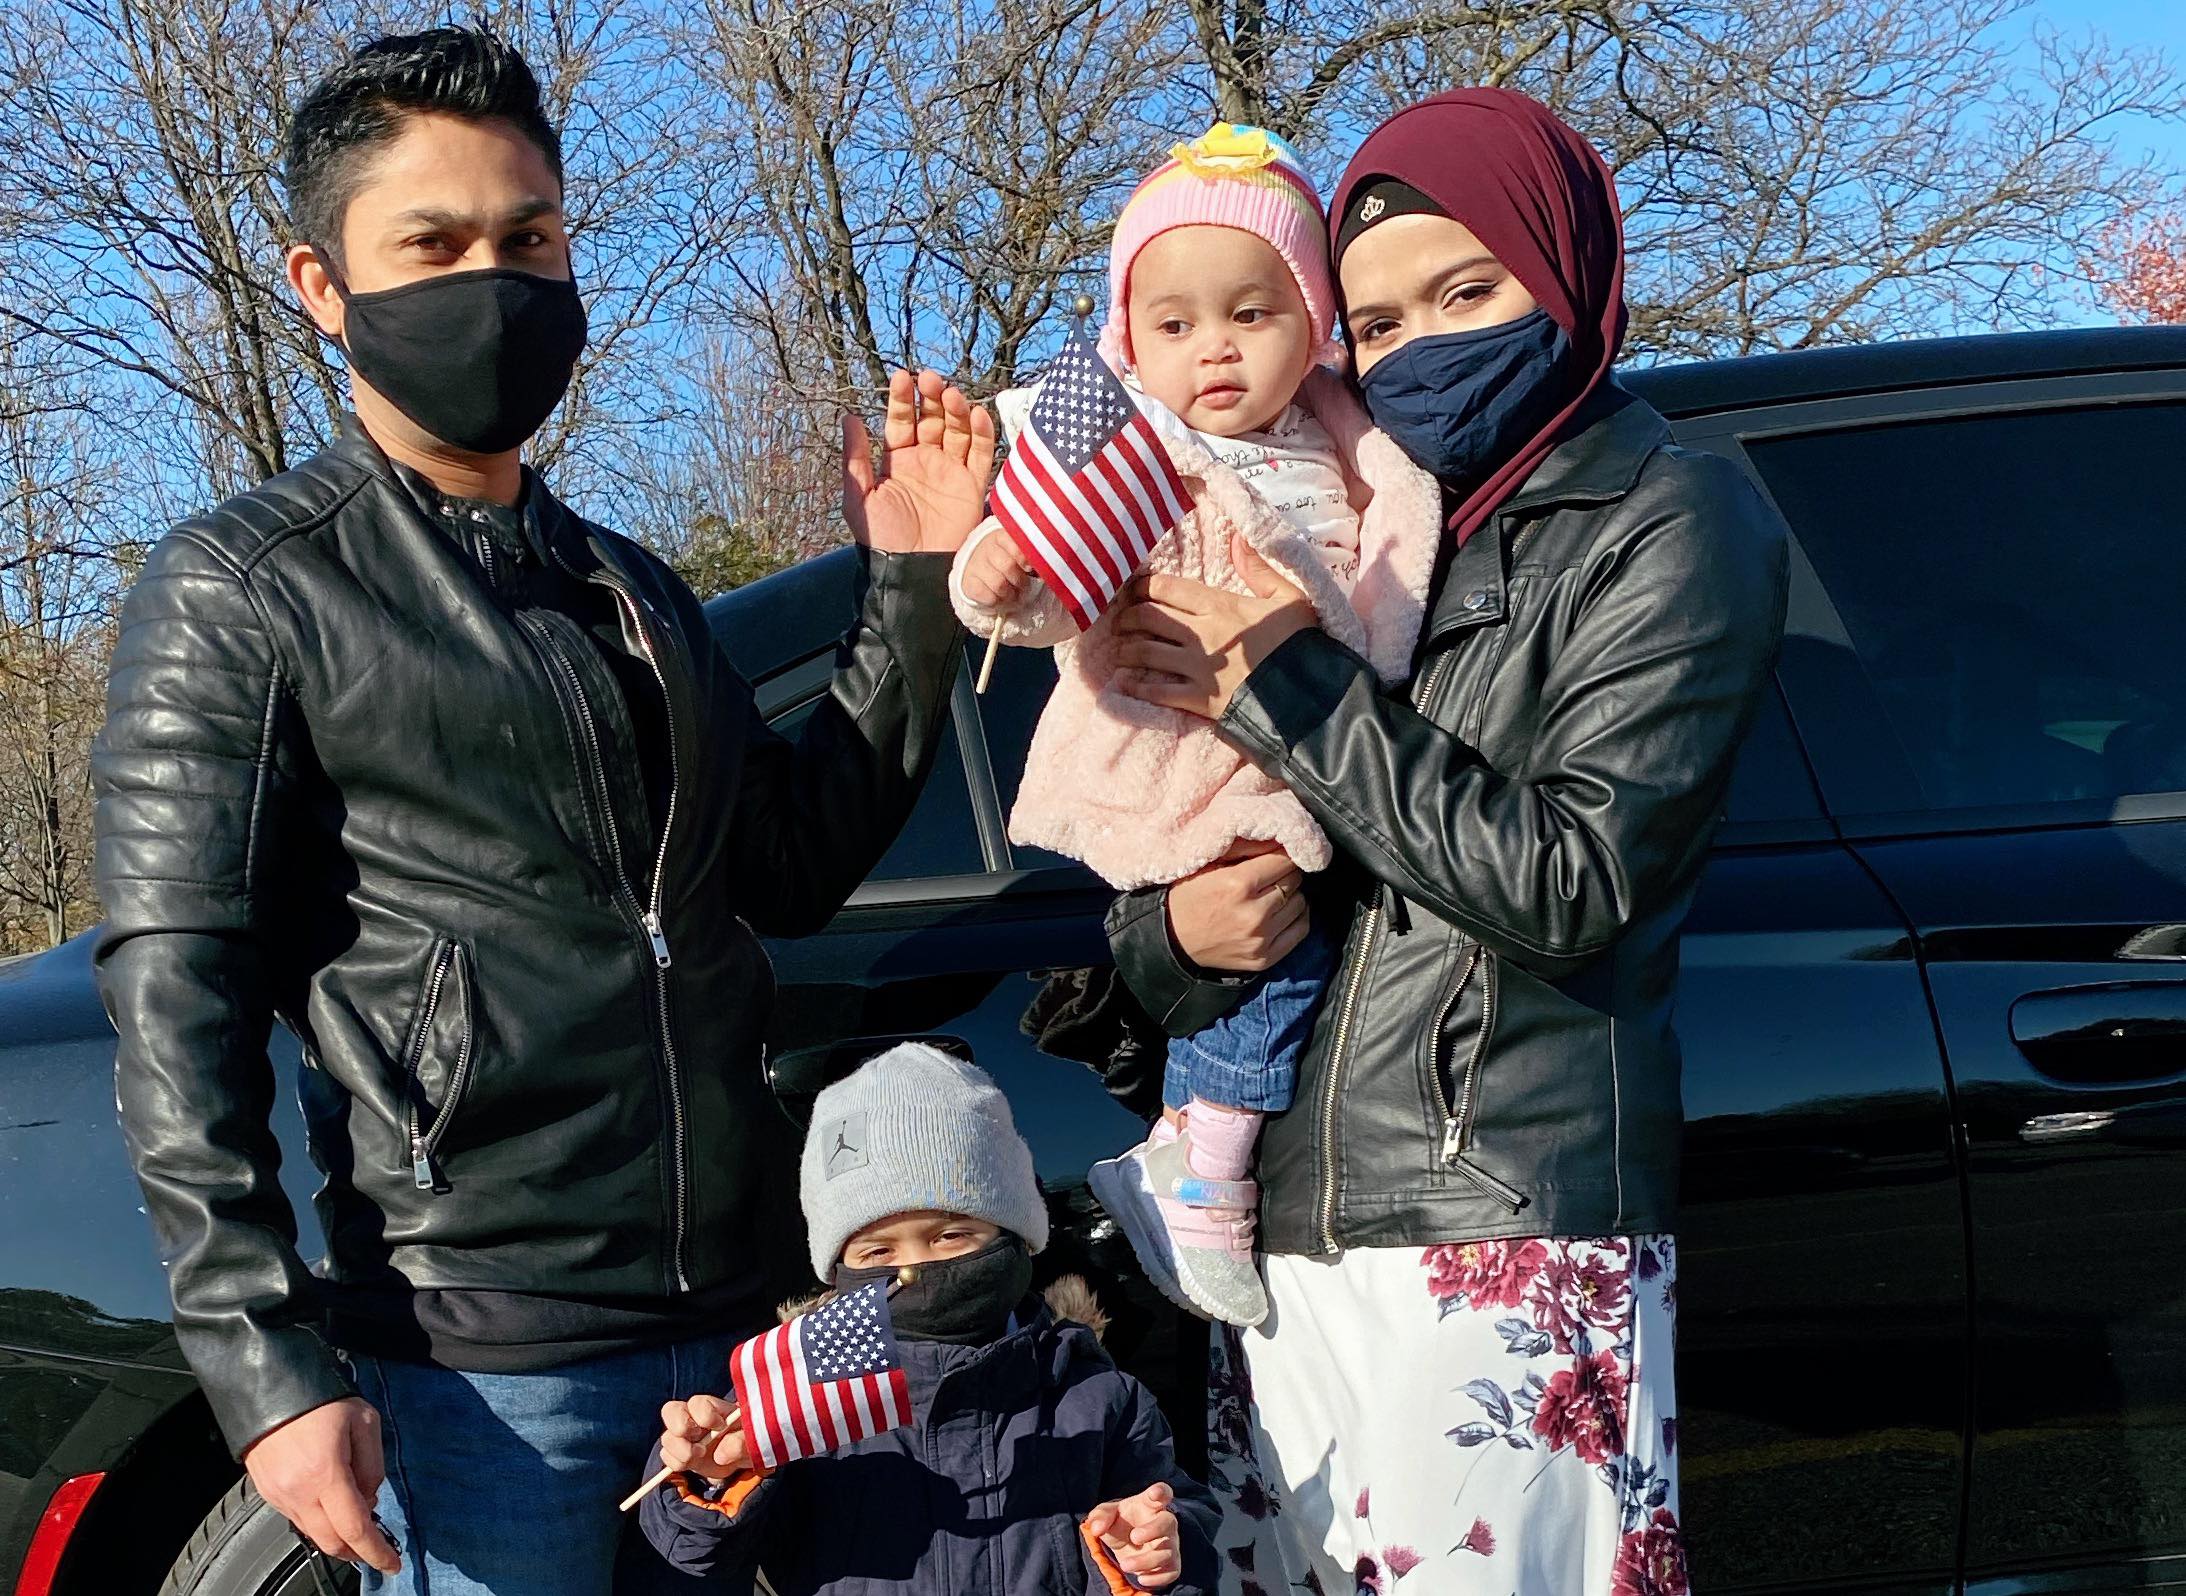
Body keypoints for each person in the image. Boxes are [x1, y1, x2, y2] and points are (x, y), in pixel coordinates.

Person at [90, 27, 991, 1595]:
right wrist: (261, 1365)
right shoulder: (246, 587)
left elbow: (785, 867)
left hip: (739, 1340)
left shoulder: (631, 589)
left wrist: (909, 587)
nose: (492, 279)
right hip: (482, 1362)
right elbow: (178, 988)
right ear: (324, 285)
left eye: (529, 237)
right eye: (431, 244)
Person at [1099, 88, 1792, 1593]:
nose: (1420, 348)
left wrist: (1282, 678)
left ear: (1559, 268)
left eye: (1464, 292)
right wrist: (1170, 942)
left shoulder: (1668, 514)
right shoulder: (1382, 513)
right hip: (1288, 1234)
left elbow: (1577, 883)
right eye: (1379, 324)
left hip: (1499, 1224)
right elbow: (1258, 838)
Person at [950, 123, 1440, 1330]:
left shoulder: (1350, 441)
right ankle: (1200, 1163)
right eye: (1171, 325)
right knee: (1278, 932)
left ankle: (1188, 1141)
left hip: (1313, 736)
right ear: (1129, 336)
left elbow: (1393, 569)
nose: (1210, 350)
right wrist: (1002, 576)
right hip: (1178, 747)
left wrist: (1354, 669)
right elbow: (1042, 552)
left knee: (1293, 930)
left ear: (1313, 324)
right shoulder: (1125, 434)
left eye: (1249, 316)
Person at [638, 1043, 1220, 1594]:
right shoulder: (796, 1401)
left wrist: (1155, 1549)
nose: (917, 1268)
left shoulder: (1096, 1394)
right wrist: (717, 1478)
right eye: (877, 1253)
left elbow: (1178, 1521)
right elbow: (699, 1555)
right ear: (839, 1268)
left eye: (951, 1235)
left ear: (1016, 1237)